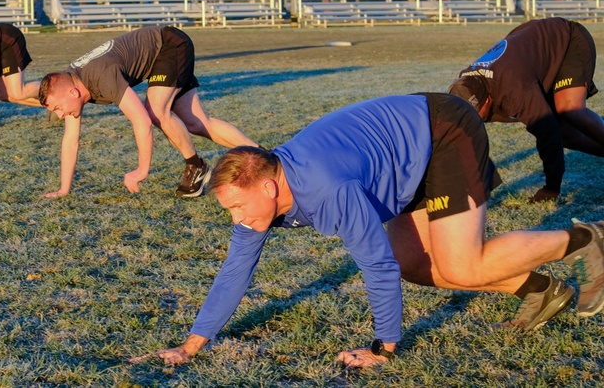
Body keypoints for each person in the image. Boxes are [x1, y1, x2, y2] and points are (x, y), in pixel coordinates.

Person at [131, 93, 604, 368]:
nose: (237, 219)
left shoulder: (328, 187)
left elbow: (372, 263)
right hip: (401, 161)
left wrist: (384, 346)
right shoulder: (258, 199)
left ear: (271, 187)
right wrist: (192, 344)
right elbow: (236, 269)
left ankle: (589, 239)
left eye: (237, 206)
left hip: (442, 133)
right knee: (414, 266)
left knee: (460, 264)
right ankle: (542, 290)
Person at [38, 25, 257, 198]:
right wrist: (63, 189)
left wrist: (141, 170)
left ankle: (196, 167)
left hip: (170, 45)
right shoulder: (74, 83)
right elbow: (71, 140)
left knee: (155, 112)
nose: (59, 115)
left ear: (72, 92)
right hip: (160, 58)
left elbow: (141, 121)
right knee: (197, 123)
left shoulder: (99, 75)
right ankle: (266, 156)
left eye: (58, 108)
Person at [448, 17, 604, 203]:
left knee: (569, 109)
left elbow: (548, 135)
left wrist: (551, 188)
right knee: (564, 134)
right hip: (532, 48)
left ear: (488, 100)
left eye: (474, 113)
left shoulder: (514, 89)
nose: (469, 119)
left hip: (567, 39)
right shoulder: (462, 89)